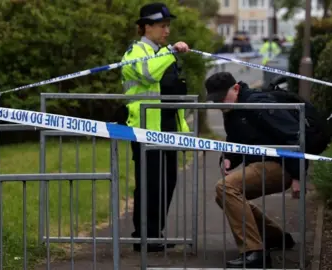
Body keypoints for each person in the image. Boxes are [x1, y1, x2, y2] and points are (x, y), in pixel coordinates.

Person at [204, 72, 319, 268]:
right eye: (216, 100)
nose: (220, 103)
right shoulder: (232, 110)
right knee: (223, 194)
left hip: (280, 165)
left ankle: (254, 252)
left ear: (236, 89)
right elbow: (238, 139)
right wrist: (229, 158)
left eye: (223, 98)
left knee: (226, 188)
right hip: (261, 164)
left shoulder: (259, 104)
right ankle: (275, 237)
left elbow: (294, 136)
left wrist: (299, 175)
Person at [120, 2, 191, 253]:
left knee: (167, 181)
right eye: (162, 26)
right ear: (146, 27)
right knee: (150, 182)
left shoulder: (163, 52)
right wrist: (170, 52)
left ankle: (155, 232)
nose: (167, 31)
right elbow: (148, 73)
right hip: (145, 127)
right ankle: (144, 236)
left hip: (167, 126)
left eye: (168, 26)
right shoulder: (135, 52)